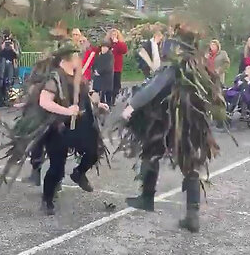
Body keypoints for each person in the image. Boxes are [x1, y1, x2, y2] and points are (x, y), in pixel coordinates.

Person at [117, 15, 228, 233]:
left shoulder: (176, 67)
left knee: (150, 152)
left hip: (167, 122)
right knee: (190, 165)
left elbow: (153, 88)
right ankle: (192, 214)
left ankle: (147, 198)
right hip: (192, 125)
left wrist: (130, 107)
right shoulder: (200, 66)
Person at [0, 36, 110, 215]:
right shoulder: (55, 78)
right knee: (57, 167)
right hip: (58, 127)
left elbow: (85, 95)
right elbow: (44, 101)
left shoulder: (78, 77)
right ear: (66, 59)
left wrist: (97, 104)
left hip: (79, 125)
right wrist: (67, 111)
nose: (79, 59)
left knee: (94, 151)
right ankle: (47, 200)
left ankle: (79, 173)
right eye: (76, 56)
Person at [105, 29, 128, 105]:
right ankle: (108, 100)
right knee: (108, 85)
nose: (113, 36)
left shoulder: (120, 43)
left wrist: (117, 42)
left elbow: (124, 50)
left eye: (115, 34)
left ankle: (113, 99)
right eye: (112, 34)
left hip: (117, 68)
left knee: (116, 85)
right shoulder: (107, 44)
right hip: (108, 68)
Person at [92, 40, 114, 107]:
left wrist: (99, 72)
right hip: (98, 77)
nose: (104, 49)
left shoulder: (110, 56)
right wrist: (95, 70)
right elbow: (94, 64)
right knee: (99, 93)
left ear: (108, 48)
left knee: (107, 93)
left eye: (106, 47)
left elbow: (108, 67)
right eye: (103, 47)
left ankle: (108, 106)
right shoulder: (98, 55)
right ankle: (101, 106)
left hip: (106, 77)